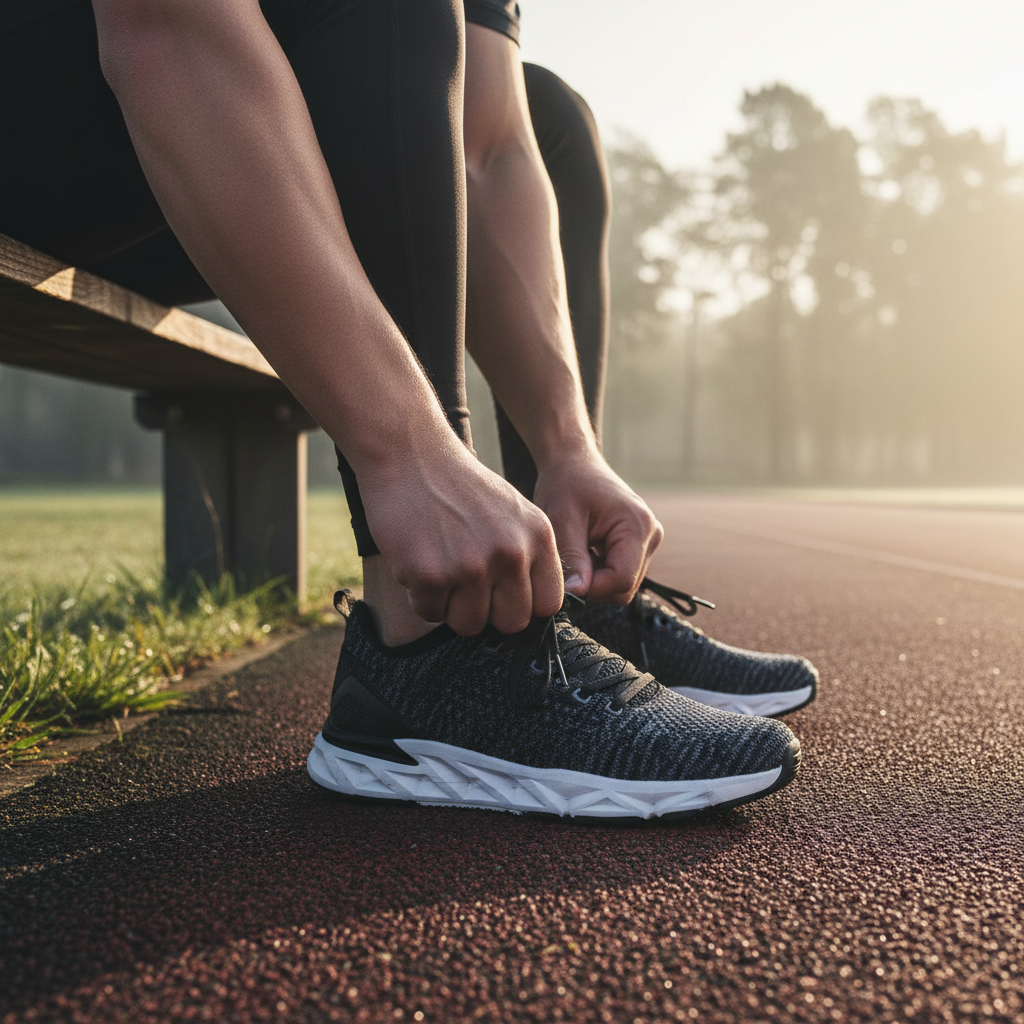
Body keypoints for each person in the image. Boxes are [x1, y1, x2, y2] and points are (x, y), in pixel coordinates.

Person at [0, 0, 812, 819]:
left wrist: (569, 447)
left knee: (549, 114)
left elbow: (489, 148)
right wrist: (412, 455)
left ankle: (556, 594)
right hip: (103, 99)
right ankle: (431, 644)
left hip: (160, 150)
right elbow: (167, 28)